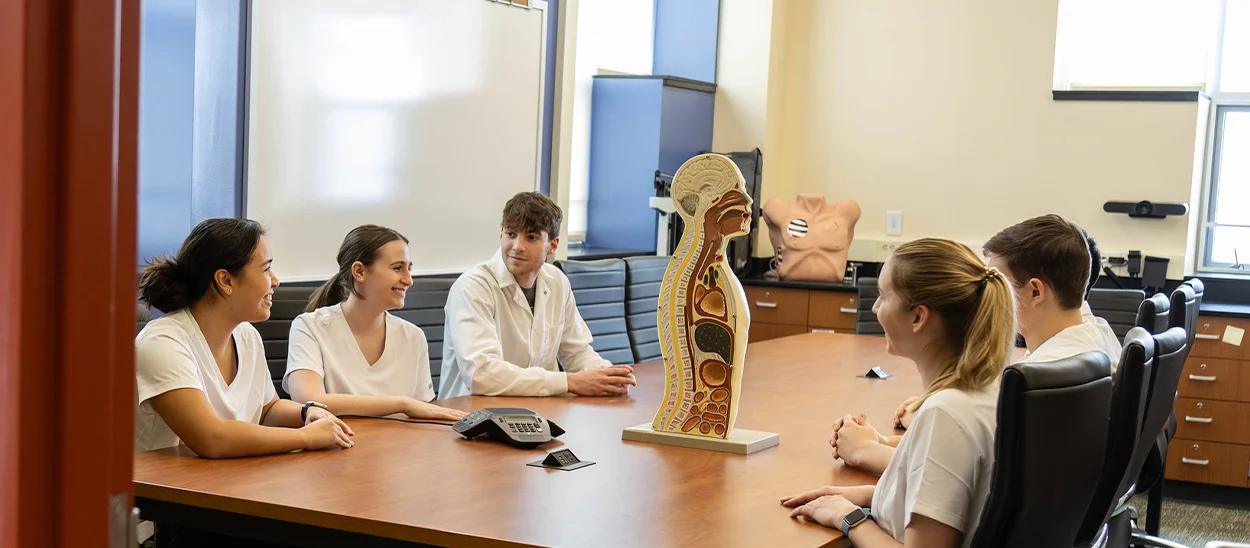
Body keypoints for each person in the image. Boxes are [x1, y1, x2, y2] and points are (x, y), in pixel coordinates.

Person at [780, 238, 1015, 547]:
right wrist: (869, 494)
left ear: (918, 317)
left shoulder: (945, 414)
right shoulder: (989, 390)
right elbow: (954, 502)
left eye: (882, 296)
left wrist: (848, 517)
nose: (875, 307)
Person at [135, 218, 355, 458]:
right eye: (266, 268)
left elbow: (267, 410)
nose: (275, 280)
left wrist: (307, 412)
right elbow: (211, 438)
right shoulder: (162, 342)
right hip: (159, 491)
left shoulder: (246, 334)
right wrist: (308, 437)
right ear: (226, 281)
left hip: (225, 483)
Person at [439, 192, 637, 398]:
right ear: (501, 234)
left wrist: (607, 376)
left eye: (531, 237)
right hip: (471, 415)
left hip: (539, 410)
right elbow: (482, 375)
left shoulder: (557, 281)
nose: (517, 246)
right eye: (511, 234)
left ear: (552, 245)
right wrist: (569, 382)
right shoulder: (472, 286)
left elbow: (576, 352)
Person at [285, 225, 466, 421]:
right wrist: (402, 404)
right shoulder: (309, 327)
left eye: (409, 268)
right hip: (338, 447)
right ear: (359, 272)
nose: (409, 280)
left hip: (400, 447)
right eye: (398, 268)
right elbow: (309, 400)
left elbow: (423, 414)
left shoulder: (413, 336)